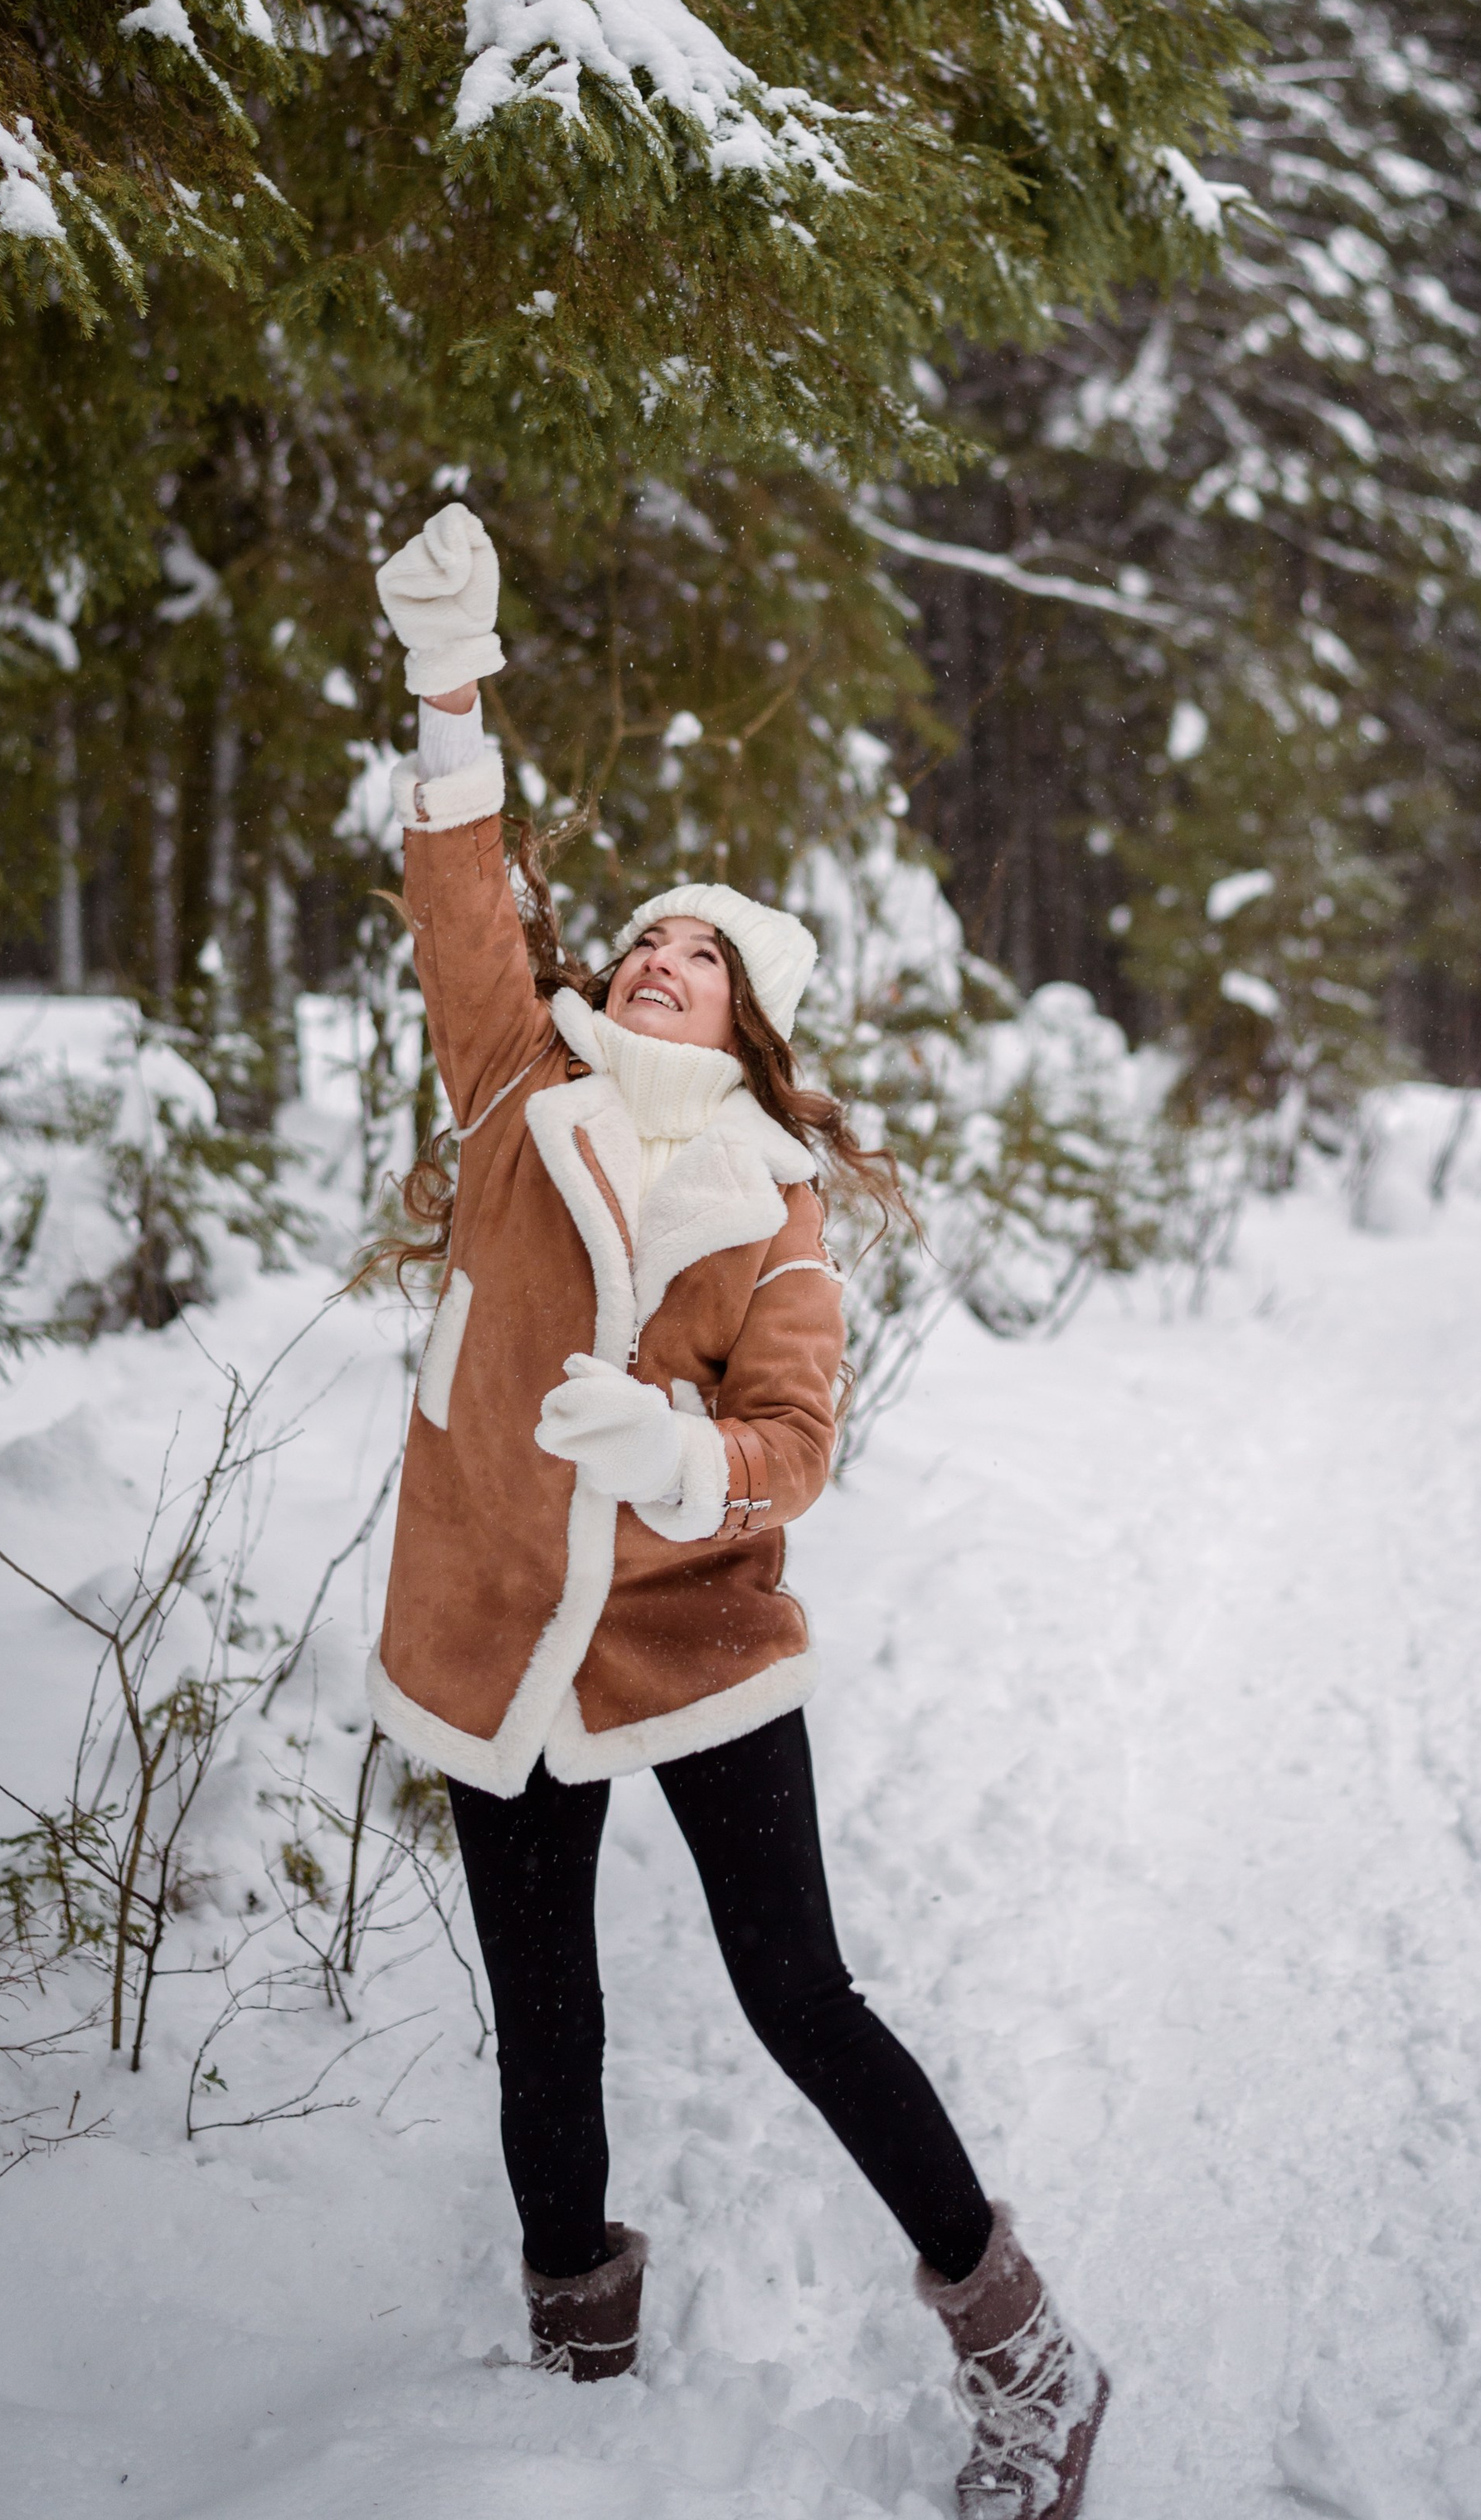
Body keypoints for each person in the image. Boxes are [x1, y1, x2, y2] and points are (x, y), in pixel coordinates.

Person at [365, 505, 1110, 2520]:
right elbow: (463, 913)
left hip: (693, 1637)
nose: (654, 956)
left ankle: (1020, 2339)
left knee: (798, 1994)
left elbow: (792, 1434)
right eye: (643, 938)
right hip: (503, 1621)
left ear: (746, 1021)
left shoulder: (775, 1207)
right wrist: (450, 688)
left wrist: (685, 1466)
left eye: (696, 954)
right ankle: (571, 2351)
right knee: (547, 2017)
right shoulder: (517, 1092)